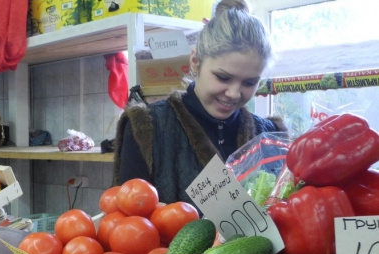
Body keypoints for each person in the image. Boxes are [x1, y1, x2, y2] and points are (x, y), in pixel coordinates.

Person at [112, 0, 287, 205]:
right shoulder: (147, 128)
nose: (233, 94)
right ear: (195, 62)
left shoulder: (269, 136)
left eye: (249, 83)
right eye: (222, 77)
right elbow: (130, 215)